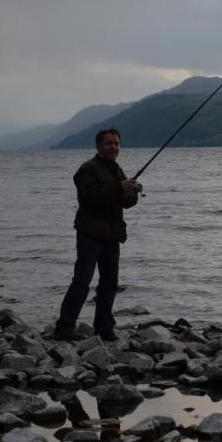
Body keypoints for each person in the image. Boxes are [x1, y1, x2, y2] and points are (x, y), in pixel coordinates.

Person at [54, 128, 142, 342]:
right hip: (89, 234)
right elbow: (90, 196)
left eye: (116, 144)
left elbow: (125, 203)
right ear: (98, 146)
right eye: (109, 144)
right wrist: (118, 187)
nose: (113, 147)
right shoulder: (87, 170)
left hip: (112, 236)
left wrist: (131, 192)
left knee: (110, 284)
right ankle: (64, 327)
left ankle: (104, 327)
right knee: (82, 282)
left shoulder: (117, 170)